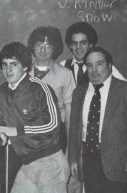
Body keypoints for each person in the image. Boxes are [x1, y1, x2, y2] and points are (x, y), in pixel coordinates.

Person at [0, 42, 69, 193]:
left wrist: (16, 130)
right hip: (25, 164)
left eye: (14, 64)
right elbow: (0, 119)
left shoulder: (40, 88)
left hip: (50, 162)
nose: (8, 69)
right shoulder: (2, 90)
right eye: (5, 64)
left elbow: (53, 125)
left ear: (25, 66)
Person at [68, 47, 127, 193]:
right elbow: (74, 128)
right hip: (88, 161)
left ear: (110, 66)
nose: (94, 70)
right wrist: (73, 159)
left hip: (119, 161)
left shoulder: (126, 90)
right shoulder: (79, 92)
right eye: (89, 65)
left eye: (99, 64)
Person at [28, 26, 75, 154]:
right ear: (32, 46)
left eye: (48, 45)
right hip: (28, 136)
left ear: (54, 48)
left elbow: (70, 114)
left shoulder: (65, 74)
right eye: (39, 45)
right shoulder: (23, 73)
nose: (43, 50)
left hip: (56, 136)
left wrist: (70, 150)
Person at [61, 21, 127, 86]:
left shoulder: (104, 66)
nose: (78, 47)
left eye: (83, 43)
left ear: (91, 44)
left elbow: (126, 89)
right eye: (74, 43)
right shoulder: (63, 65)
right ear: (70, 46)